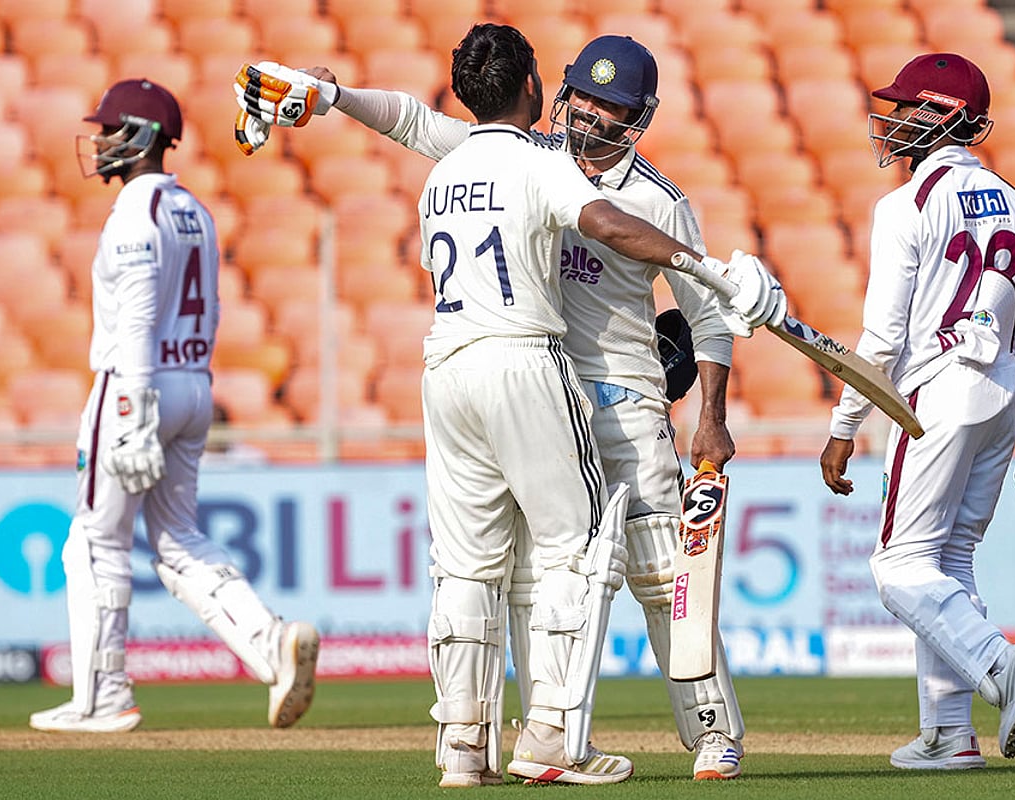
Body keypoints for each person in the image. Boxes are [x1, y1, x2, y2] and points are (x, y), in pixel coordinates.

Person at [237, 24, 782, 787]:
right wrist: (332, 95)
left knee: (664, 578)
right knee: (530, 576)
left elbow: (709, 318)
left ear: (638, 116)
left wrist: (713, 418)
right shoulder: (531, 159)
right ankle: (540, 732)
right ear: (554, 92)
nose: (588, 118)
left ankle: (714, 734)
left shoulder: (662, 201)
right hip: (540, 392)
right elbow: (411, 121)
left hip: (622, 398)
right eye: (581, 99)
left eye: (608, 106)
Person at [29, 79, 319, 734]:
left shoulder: (135, 213)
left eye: (109, 129)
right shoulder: (194, 208)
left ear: (137, 134)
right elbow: (210, 309)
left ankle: (102, 696)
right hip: (191, 380)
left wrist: (131, 412)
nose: (99, 141)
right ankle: (269, 642)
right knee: (178, 539)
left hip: (138, 384)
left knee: (92, 542)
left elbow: (134, 319)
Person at [817, 54, 1015, 769]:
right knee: (948, 562)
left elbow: (885, 338)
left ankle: (1004, 666)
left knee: (897, 567)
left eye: (905, 109)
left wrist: (843, 426)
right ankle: (950, 731)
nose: (890, 123)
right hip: (1004, 392)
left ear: (940, 116)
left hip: (939, 388)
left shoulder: (905, 206)